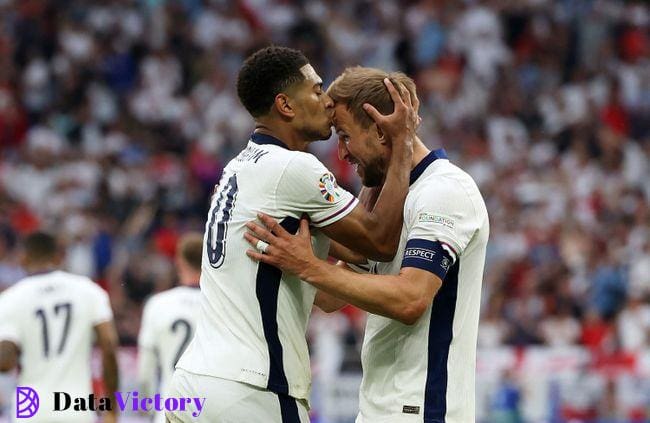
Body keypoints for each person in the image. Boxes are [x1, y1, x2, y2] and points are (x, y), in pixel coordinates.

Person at [166, 46, 417, 423]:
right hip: (253, 388)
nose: (327, 102)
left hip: (194, 384)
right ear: (285, 105)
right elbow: (380, 241)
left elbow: (352, 262)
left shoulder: (239, 167)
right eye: (317, 91)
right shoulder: (293, 168)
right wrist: (400, 144)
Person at [245, 66, 489, 423]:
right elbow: (330, 297)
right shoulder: (382, 201)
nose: (341, 153)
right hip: (379, 408)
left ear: (379, 129)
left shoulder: (444, 191)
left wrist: (307, 265)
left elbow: (410, 299)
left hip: (424, 409)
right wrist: (285, 235)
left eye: (345, 136)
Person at [0, 232, 119, 423]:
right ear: (59, 257)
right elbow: (109, 346)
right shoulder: (88, 290)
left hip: (30, 409)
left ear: (23, 258)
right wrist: (111, 407)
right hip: (75, 407)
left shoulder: (10, 299)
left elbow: (5, 362)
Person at [138, 233, 203, 423]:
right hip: (209, 412)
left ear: (179, 262)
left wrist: (147, 404)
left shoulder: (158, 304)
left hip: (169, 409)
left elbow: (145, 371)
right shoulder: (222, 305)